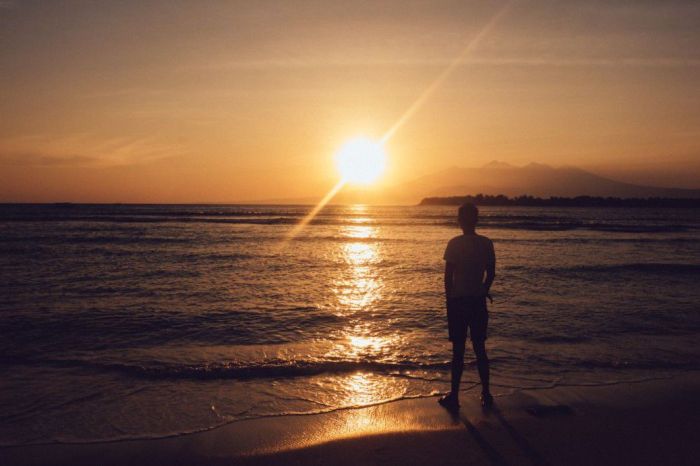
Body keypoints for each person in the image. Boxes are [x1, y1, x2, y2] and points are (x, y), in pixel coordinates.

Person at [438, 203, 495, 410]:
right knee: (480, 348)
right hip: (477, 301)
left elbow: (448, 277)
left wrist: (449, 300)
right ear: (476, 219)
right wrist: (484, 288)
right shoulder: (486, 243)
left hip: (459, 301)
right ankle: (486, 394)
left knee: (458, 351)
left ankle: (454, 396)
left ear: (460, 220)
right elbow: (491, 273)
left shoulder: (454, 244)